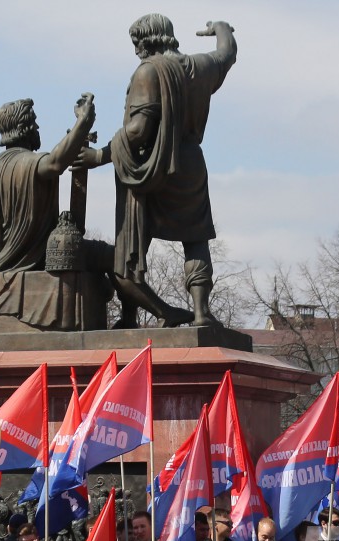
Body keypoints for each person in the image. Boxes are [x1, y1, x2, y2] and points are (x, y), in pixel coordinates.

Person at [76, 15, 237, 327]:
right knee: (196, 238)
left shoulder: (147, 72)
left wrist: (100, 155)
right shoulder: (201, 67)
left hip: (152, 167)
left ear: (148, 40)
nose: (136, 49)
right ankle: (201, 312)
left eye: (137, 42)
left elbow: (138, 130)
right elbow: (227, 53)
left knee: (134, 243)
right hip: (189, 164)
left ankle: (129, 316)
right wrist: (221, 28)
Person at [0, 96, 131, 330]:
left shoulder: (3, 163)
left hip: (35, 248)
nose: (37, 127)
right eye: (34, 123)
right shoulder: (19, 162)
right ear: (23, 128)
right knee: (116, 257)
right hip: (29, 255)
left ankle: (148, 315)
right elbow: (54, 164)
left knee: (109, 258)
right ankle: (141, 316)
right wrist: (83, 123)